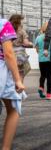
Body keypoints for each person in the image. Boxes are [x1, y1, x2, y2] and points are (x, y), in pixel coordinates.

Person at [0, 19, 25, 149]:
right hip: (2, 72)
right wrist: (17, 80)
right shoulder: (3, 24)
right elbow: (8, 53)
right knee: (13, 109)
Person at [9, 14, 33, 81]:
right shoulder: (22, 31)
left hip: (9, 54)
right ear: (18, 22)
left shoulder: (7, 30)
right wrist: (31, 44)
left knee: (10, 73)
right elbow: (26, 43)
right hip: (19, 56)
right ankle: (19, 88)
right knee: (21, 73)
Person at [35, 22, 51, 100]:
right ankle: (48, 94)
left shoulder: (38, 37)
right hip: (49, 58)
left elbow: (36, 49)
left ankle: (41, 87)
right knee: (49, 76)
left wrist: (41, 54)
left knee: (42, 74)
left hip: (41, 59)